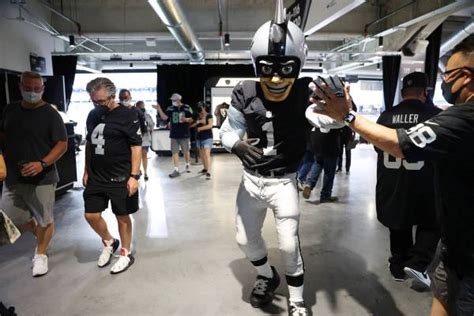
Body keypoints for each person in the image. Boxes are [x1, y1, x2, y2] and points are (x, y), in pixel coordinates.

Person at [311, 36, 474, 316]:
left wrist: (347, 116)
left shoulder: (462, 116)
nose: (444, 81)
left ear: (466, 77)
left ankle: (402, 263)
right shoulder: (438, 113)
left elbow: (397, 144)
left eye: (447, 75)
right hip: (453, 240)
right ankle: (416, 260)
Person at [219, 1, 333, 314]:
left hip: (283, 181)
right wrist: (237, 145)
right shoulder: (245, 90)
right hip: (251, 180)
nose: (278, 79)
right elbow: (228, 130)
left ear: (299, 66)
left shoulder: (305, 92)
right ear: (257, 67)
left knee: (287, 244)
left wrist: (339, 115)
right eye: (268, 69)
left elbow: (322, 118)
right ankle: (266, 275)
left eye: (286, 70)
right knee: (244, 239)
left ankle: (297, 302)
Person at [375, 72, 441, 288]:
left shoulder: (386, 116)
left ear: (403, 93)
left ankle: (398, 266)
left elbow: (377, 146)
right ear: (424, 93)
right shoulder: (436, 116)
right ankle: (418, 262)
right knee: (430, 221)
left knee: (398, 222)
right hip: (424, 182)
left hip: (392, 181)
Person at [0, 71, 67, 277]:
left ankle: (41, 254)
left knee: (45, 219)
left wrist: (42, 163)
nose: (32, 92)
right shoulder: (9, 110)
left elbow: (62, 144)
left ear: (43, 89)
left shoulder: (50, 114)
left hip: (42, 178)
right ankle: (37, 230)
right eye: (28, 88)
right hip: (13, 177)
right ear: (20, 87)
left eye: (37, 89)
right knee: (9, 217)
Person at [83, 77, 142, 274]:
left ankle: (125, 252)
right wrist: (85, 170)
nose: (97, 104)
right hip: (96, 176)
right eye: (93, 101)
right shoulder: (93, 115)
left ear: (113, 96)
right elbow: (90, 144)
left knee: (122, 216)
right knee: (91, 214)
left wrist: (134, 176)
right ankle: (109, 241)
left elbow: (136, 146)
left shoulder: (128, 115)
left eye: (101, 101)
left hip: (120, 176)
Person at [155, 93, 193, 178]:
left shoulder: (187, 108)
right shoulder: (170, 108)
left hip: (184, 134)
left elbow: (193, 118)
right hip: (174, 134)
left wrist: (186, 119)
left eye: (174, 100)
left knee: (186, 151)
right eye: (172, 100)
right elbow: (165, 118)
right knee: (174, 152)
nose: (173, 102)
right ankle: (176, 169)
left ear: (179, 100)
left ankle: (187, 163)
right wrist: (159, 109)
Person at [301, 126, 342, 202]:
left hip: (317, 142)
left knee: (318, 163)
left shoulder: (316, 115)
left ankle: (309, 184)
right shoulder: (331, 116)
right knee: (329, 172)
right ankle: (325, 195)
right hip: (330, 143)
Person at [135, 101, 154, 181]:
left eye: (142, 106)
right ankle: (138, 171)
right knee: (137, 156)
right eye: (140, 106)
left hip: (145, 139)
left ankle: (145, 172)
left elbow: (152, 125)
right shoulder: (133, 115)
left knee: (144, 156)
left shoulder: (147, 116)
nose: (142, 107)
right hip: (136, 139)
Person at [193, 102, 213, 179]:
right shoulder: (198, 115)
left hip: (207, 137)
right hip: (199, 138)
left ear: (204, 108)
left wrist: (200, 128)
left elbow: (210, 125)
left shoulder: (209, 115)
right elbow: (194, 124)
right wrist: (197, 122)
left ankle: (209, 171)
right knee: (201, 155)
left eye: (201, 107)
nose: (200, 108)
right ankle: (205, 168)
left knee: (207, 154)